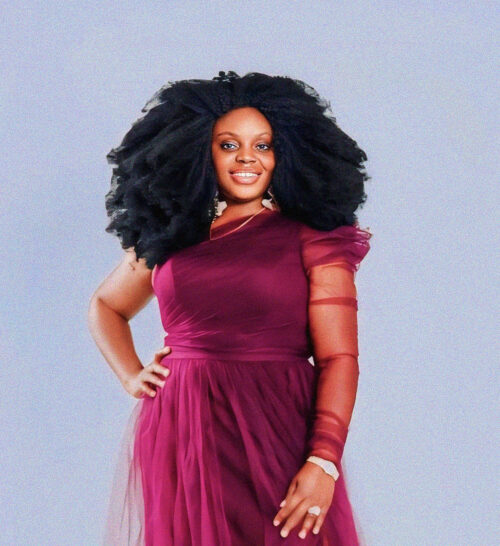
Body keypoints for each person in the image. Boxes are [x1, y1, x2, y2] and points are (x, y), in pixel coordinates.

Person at [88, 70, 373, 545]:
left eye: (263, 145)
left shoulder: (312, 239)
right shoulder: (172, 234)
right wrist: (131, 375)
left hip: (274, 426)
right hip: (180, 429)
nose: (246, 157)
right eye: (228, 145)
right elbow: (105, 306)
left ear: (286, 154)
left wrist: (323, 460)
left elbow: (338, 358)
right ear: (199, 152)